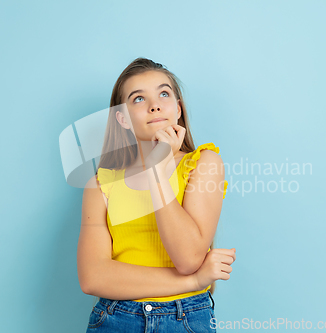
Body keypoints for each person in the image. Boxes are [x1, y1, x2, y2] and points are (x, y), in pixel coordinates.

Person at [77, 57, 236, 332]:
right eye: (138, 99)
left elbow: (187, 259)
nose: (155, 104)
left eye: (164, 93)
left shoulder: (204, 163)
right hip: (114, 318)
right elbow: (92, 277)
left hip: (185, 318)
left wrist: (156, 170)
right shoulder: (101, 183)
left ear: (178, 108)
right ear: (122, 118)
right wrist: (193, 282)